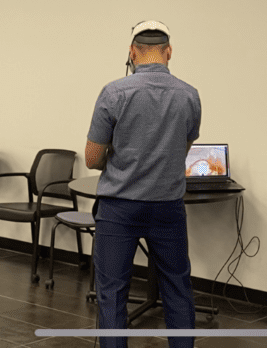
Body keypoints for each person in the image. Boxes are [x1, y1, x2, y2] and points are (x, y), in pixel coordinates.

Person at [86, 20, 202, 348]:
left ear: (132, 53)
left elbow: (92, 158)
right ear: (169, 52)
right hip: (168, 206)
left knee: (112, 294)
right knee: (178, 290)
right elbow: (183, 148)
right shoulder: (189, 94)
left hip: (119, 207)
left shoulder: (114, 92)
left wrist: (122, 162)